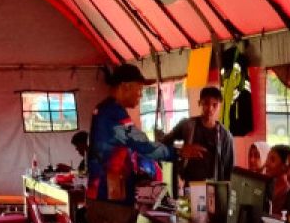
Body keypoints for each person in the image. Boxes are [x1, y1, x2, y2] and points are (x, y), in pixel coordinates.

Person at [87, 63, 203, 204]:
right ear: (125, 86)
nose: (141, 95)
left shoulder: (104, 109)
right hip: (109, 197)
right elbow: (143, 146)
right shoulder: (114, 113)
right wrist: (179, 152)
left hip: (104, 193)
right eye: (139, 89)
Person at [164, 86, 235, 184]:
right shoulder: (186, 126)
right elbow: (165, 143)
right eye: (206, 103)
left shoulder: (225, 136)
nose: (210, 108)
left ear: (220, 106)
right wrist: (181, 148)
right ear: (199, 103)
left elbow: (229, 169)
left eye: (215, 104)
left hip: (214, 189)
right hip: (189, 186)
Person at [265, 143, 290, 215]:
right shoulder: (267, 185)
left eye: (272, 160)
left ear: (284, 165)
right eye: (267, 159)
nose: (266, 164)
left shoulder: (287, 193)